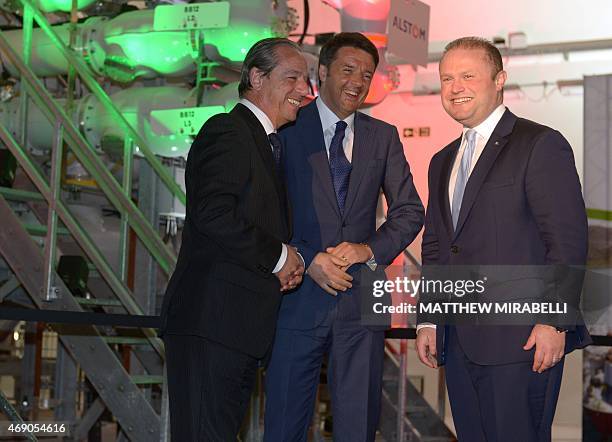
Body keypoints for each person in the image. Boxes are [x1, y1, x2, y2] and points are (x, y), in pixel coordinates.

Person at [415, 36, 592, 441]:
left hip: (523, 340)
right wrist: (428, 317)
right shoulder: (442, 161)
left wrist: (553, 320)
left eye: (467, 76)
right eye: (446, 79)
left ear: (499, 80)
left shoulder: (540, 144)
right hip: (459, 341)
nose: (454, 87)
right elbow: (438, 247)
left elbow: (566, 240)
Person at [264, 32, 424, 441]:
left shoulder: (382, 136)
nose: (357, 81)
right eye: (348, 70)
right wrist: (306, 257)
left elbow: (409, 211)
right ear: (322, 72)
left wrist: (367, 249)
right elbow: (264, 212)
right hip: (295, 295)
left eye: (366, 74)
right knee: (284, 422)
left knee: (358, 424)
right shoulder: (286, 128)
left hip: (363, 300)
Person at [159, 37, 308, 441]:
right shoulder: (227, 130)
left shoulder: (266, 143)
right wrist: (279, 257)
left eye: (306, 80)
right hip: (213, 324)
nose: (304, 91)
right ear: (256, 77)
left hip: (236, 329)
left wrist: (280, 266)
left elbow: (243, 223)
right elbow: (214, 213)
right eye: (292, 77)